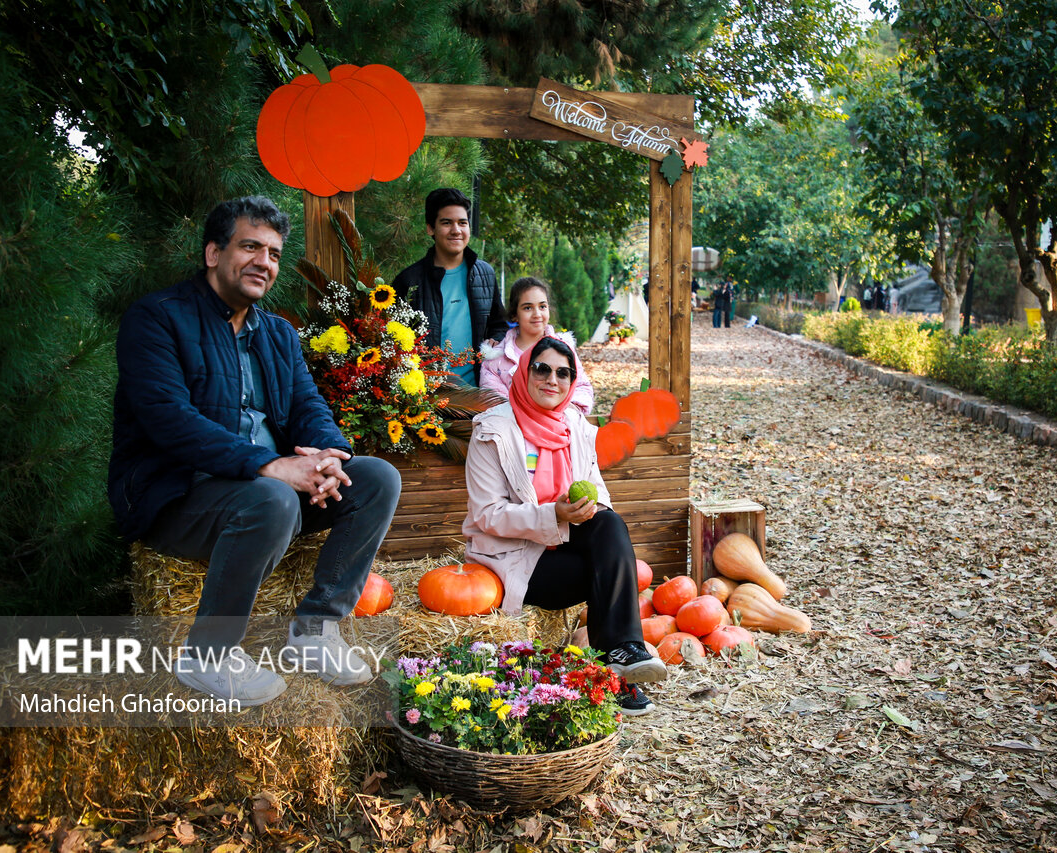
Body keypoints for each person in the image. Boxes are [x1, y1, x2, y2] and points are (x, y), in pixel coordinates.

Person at [108, 196, 403, 707]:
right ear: (212, 253)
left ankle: (314, 632)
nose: (263, 262)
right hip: (179, 495)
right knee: (272, 498)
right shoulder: (156, 320)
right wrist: (271, 465)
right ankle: (208, 656)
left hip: (268, 495)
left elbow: (307, 405)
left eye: (273, 253)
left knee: (376, 478)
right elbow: (169, 420)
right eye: (250, 246)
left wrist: (330, 456)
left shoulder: (277, 333)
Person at [462, 338, 666, 715]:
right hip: (517, 559)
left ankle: (622, 652)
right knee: (603, 571)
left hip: (568, 539)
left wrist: (584, 509)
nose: (551, 379)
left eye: (563, 372)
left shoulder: (576, 425)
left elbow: (599, 491)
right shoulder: (492, 431)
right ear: (524, 371)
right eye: (541, 368)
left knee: (609, 523)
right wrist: (553, 514)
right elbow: (486, 514)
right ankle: (617, 674)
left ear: (572, 380)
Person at [392, 188, 508, 385]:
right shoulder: (408, 281)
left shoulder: (485, 275)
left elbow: (500, 325)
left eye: (462, 223)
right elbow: (394, 343)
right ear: (430, 228)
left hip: (480, 392)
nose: (456, 230)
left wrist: (496, 339)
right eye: (446, 223)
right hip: (428, 396)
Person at [478, 277, 594, 415]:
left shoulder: (564, 350)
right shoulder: (495, 360)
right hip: (514, 432)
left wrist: (565, 411)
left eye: (542, 306)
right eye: (528, 308)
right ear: (515, 314)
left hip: (561, 429)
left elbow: (582, 388)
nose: (537, 314)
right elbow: (492, 402)